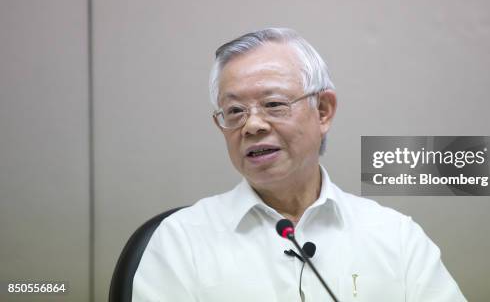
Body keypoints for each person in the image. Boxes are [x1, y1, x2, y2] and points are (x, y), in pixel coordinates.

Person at [132, 28, 466, 301]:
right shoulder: (181, 240)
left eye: (273, 104)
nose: (252, 126)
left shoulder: (395, 236)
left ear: (323, 111)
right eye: (235, 111)